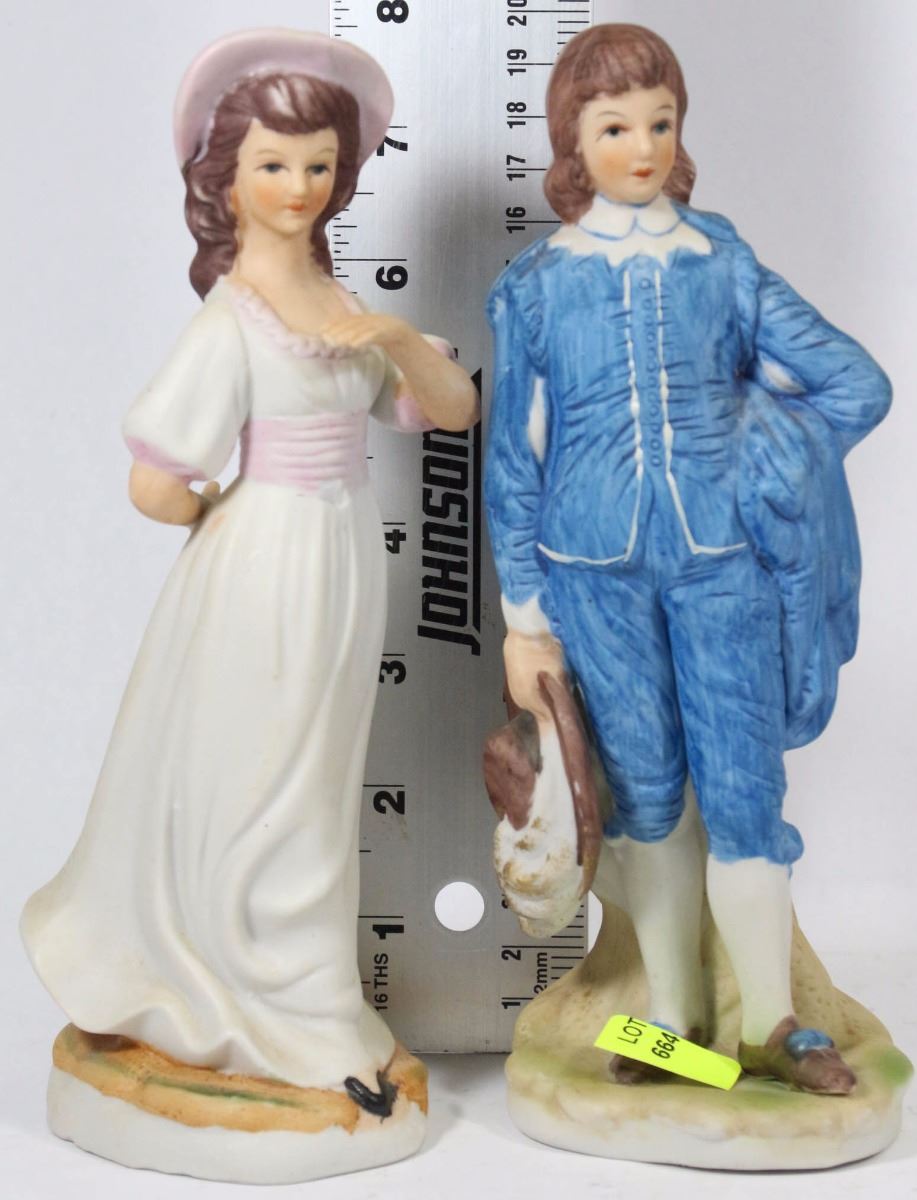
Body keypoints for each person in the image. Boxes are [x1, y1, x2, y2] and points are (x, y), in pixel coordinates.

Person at [22, 28, 478, 1121]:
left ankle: (294, 999)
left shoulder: (334, 298)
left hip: (337, 557)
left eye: (318, 164)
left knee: (316, 777)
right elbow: (155, 484)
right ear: (224, 178)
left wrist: (397, 336)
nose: (299, 186)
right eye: (273, 164)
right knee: (268, 786)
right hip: (267, 567)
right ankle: (292, 1014)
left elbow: (451, 410)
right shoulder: (231, 322)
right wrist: (231, 525)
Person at [485, 23, 890, 1093]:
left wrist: (767, 452)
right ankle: (674, 1026)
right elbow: (514, 460)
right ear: (573, 141)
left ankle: (776, 1024)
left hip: (721, 567)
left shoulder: (722, 263)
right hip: (590, 574)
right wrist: (522, 621)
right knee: (646, 798)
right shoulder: (534, 287)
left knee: (744, 793)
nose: (642, 147)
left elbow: (854, 383)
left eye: (659, 123)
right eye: (614, 127)